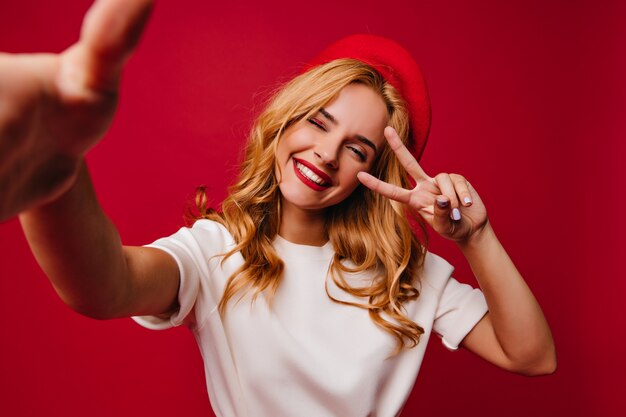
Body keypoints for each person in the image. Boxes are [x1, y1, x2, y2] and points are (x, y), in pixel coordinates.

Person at [2, 0, 556, 416]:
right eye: (318, 121)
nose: (326, 153)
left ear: (372, 177)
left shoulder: (404, 277)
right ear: (286, 119)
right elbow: (105, 286)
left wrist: (474, 237)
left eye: (357, 149)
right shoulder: (218, 251)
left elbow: (532, 356)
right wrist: (57, 171)